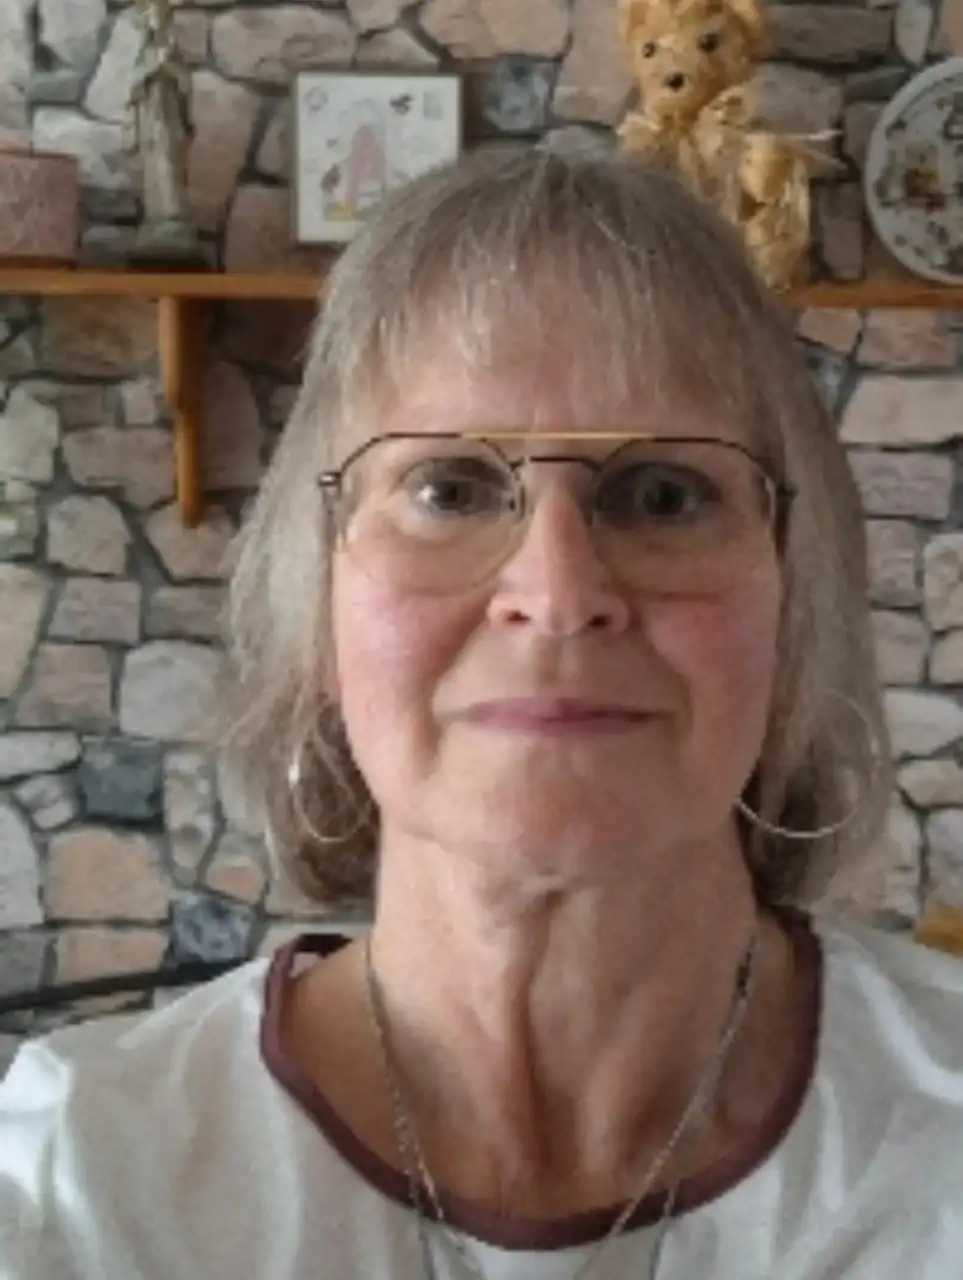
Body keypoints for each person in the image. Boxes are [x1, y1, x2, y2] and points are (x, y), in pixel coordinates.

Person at [1, 143, 962, 1279]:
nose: (556, 594)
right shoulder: (86, 1173)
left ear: (791, 600)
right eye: (450, 488)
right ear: (318, 600)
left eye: (662, 494)